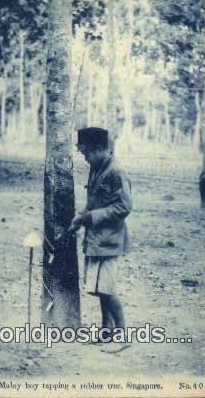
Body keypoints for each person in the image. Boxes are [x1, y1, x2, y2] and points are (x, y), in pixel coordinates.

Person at [69, 127, 132, 352]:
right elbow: (94, 200)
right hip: (96, 240)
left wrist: (91, 217)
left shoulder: (116, 171)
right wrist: (81, 217)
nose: (85, 159)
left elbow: (124, 207)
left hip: (110, 240)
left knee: (107, 289)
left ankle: (123, 337)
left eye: (86, 154)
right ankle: (107, 331)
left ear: (98, 149)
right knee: (98, 289)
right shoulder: (96, 168)